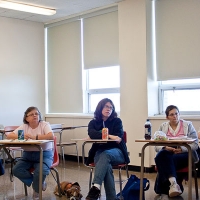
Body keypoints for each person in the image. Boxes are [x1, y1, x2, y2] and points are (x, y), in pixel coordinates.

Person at [85, 98, 130, 200]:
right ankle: (112, 198)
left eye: (111, 107)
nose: (109, 109)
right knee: (107, 166)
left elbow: (119, 137)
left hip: (117, 152)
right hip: (99, 153)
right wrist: (110, 136)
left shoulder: (117, 121)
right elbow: (92, 134)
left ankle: (95, 187)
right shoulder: (93, 123)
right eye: (106, 106)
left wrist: (106, 135)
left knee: (106, 155)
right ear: (100, 107)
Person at [6, 106, 54, 199]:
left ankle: (36, 190)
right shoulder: (24, 126)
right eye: (31, 114)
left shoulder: (44, 124)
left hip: (44, 154)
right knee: (16, 170)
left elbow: (50, 136)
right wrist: (22, 136)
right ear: (26, 118)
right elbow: (9, 136)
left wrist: (34, 136)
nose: (35, 116)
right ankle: (39, 183)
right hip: (27, 156)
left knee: (41, 171)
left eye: (36, 113)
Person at [154, 105, 199, 200]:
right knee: (160, 155)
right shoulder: (163, 126)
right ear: (167, 117)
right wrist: (165, 147)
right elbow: (156, 145)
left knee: (163, 160)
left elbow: (195, 144)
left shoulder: (188, 125)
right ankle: (174, 184)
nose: (175, 116)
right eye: (171, 114)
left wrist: (182, 149)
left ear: (179, 114)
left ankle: (163, 189)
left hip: (185, 153)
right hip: (169, 152)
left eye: (176, 114)